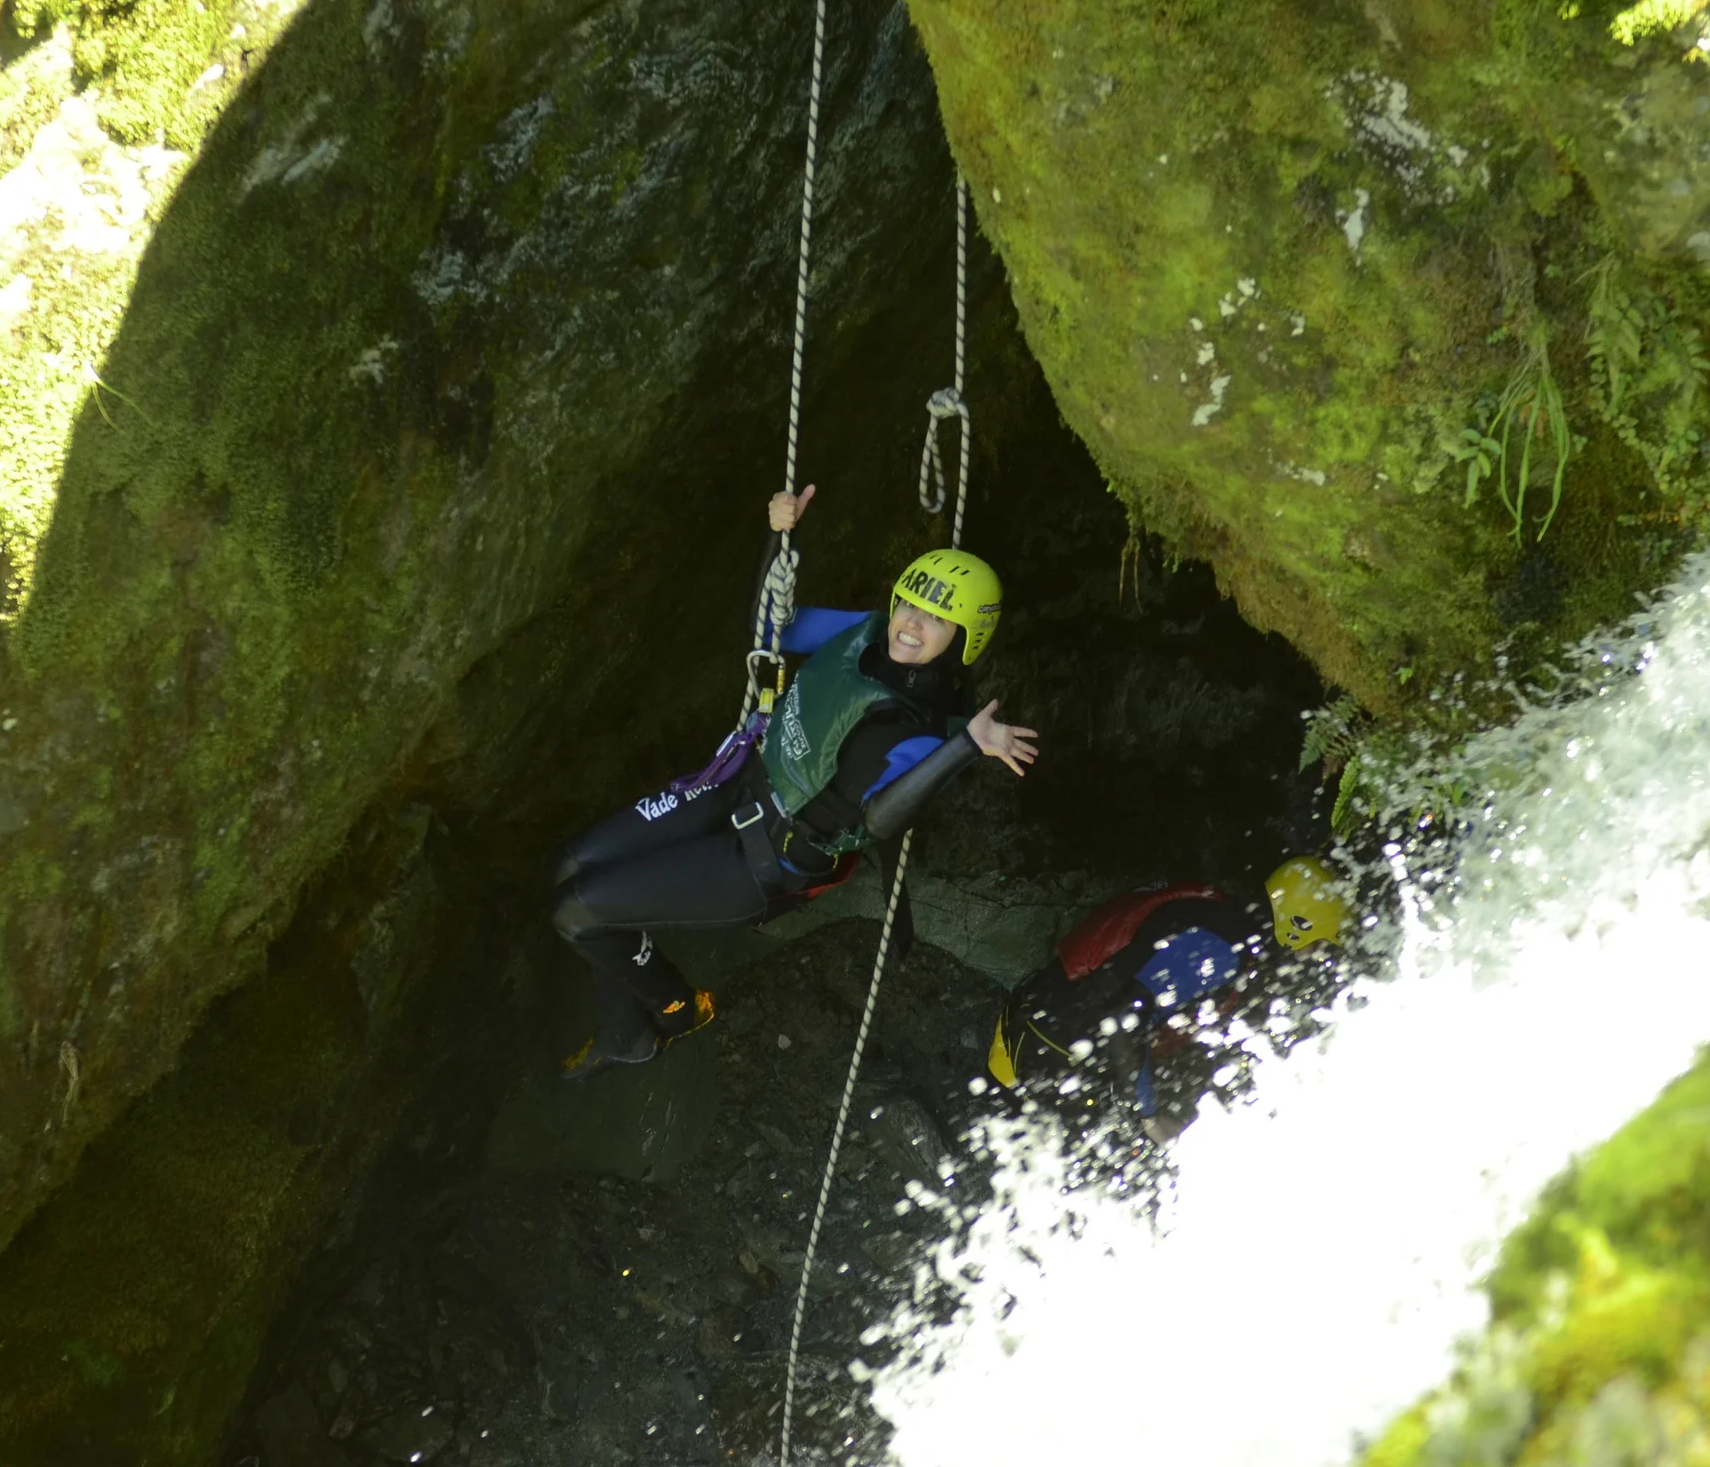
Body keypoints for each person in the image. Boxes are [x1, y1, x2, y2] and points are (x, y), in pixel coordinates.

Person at [552, 484, 1039, 1077]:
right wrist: (778, 538)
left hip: (761, 861)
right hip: (736, 785)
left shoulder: (919, 732)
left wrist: (967, 746)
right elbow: (770, 630)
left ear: (965, 640)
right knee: (572, 867)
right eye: (910, 603)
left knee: (576, 914)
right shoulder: (865, 631)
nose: (912, 623)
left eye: (939, 619)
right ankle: (629, 1033)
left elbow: (882, 817)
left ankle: (677, 1010)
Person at [983, 856, 1350, 1140]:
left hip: (1036, 1020)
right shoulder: (1221, 950)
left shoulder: (1220, 914)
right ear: (1298, 927)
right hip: (1044, 1057)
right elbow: (1122, 1019)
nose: (1314, 956)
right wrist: (1148, 1117)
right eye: (1318, 944)